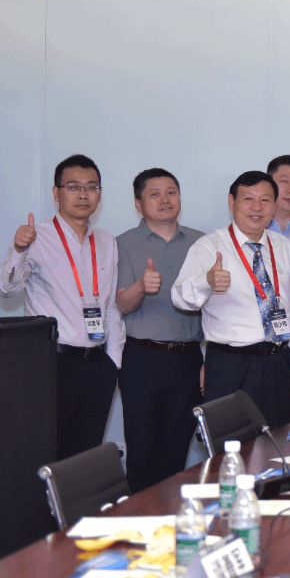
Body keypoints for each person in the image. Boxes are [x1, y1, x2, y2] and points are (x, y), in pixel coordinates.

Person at [1, 155, 125, 460]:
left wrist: (114, 363)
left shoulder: (107, 241)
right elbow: (7, 290)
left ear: (99, 194)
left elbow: (109, 306)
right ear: (56, 193)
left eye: (91, 187)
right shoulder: (37, 237)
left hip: (98, 365)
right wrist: (18, 249)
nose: (83, 194)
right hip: (53, 366)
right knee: (44, 454)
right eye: (73, 186)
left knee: (84, 458)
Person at [173, 171, 290, 430]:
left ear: (274, 206)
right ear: (231, 202)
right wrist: (207, 281)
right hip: (231, 365)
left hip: (278, 361)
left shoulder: (282, 245)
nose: (257, 207)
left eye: (265, 200)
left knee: (279, 442)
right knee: (232, 444)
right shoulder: (209, 246)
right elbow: (179, 297)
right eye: (248, 199)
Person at [114, 168, 204, 491]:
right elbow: (122, 304)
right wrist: (141, 286)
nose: (165, 199)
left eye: (171, 192)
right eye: (154, 194)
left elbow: (215, 309)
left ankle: (171, 519)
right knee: (142, 454)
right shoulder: (123, 243)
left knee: (176, 454)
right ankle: (138, 519)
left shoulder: (201, 242)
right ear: (138, 204)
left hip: (189, 359)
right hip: (142, 358)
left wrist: (210, 360)